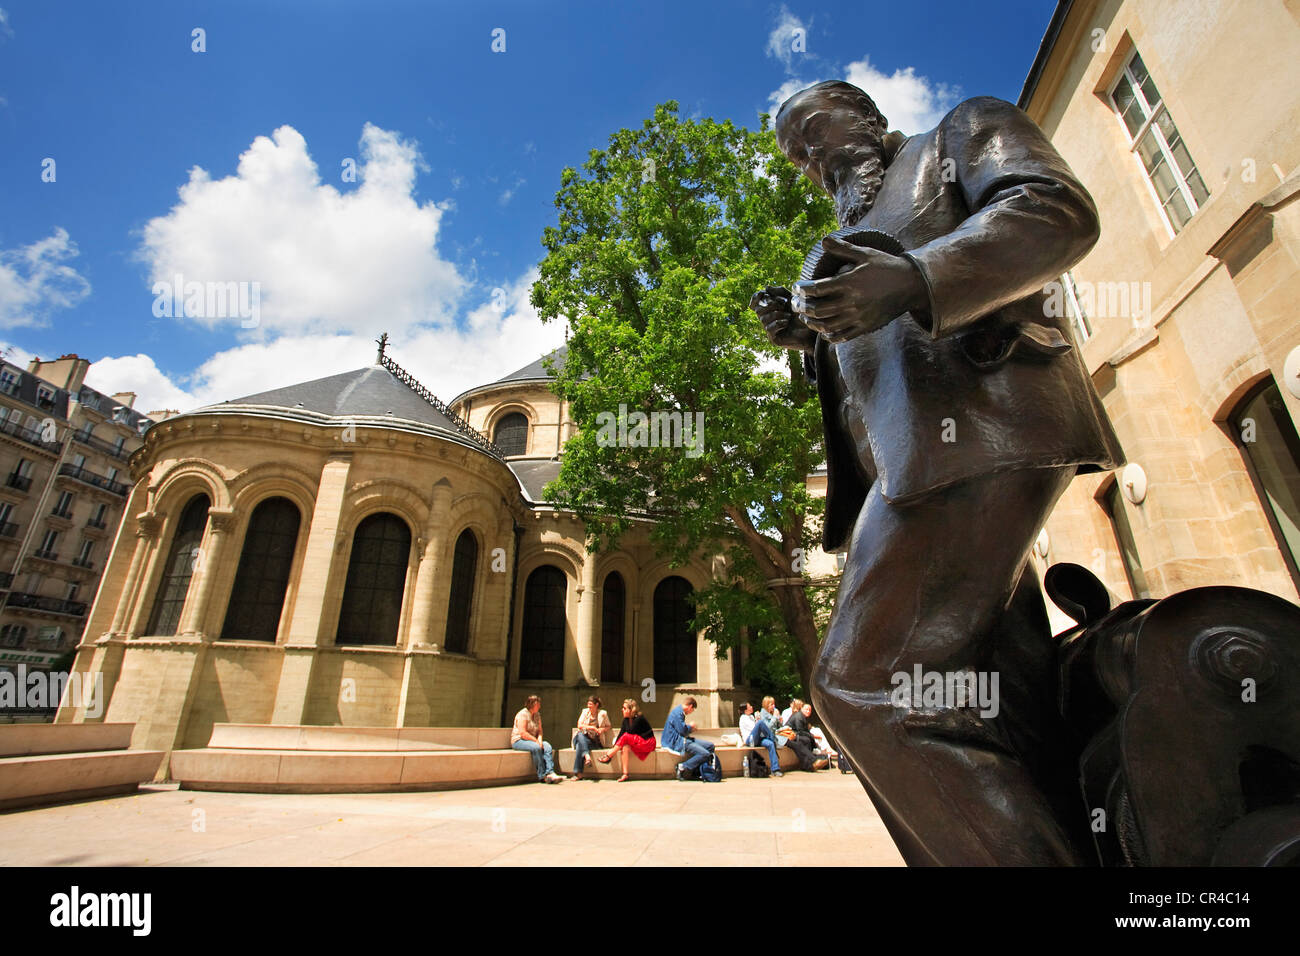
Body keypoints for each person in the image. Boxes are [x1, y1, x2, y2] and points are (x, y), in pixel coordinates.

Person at [753, 80, 1124, 865]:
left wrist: (915, 279)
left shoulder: (959, 133)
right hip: (914, 462)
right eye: (797, 154)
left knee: (866, 688)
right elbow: (872, 353)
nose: (811, 158)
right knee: (1006, 707)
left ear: (865, 116)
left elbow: (1054, 210)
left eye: (814, 132)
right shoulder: (839, 236)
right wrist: (806, 337)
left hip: (982, 433)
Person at [597, 698, 656, 781]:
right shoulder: (626, 720)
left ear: (631, 710)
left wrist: (612, 751)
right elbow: (621, 734)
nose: (622, 710)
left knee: (626, 737)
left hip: (648, 743)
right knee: (625, 746)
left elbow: (630, 733)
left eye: (624, 708)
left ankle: (608, 756)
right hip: (637, 742)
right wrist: (615, 747)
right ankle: (625, 774)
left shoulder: (639, 718)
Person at [511, 694, 563, 784]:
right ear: (532, 705)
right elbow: (523, 733)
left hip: (533, 740)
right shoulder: (522, 714)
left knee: (547, 746)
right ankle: (542, 775)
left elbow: (540, 731)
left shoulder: (537, 715)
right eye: (538, 705)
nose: (539, 706)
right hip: (519, 740)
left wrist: (540, 740)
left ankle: (550, 772)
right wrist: (536, 741)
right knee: (536, 747)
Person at [661, 696, 715, 780]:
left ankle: (697, 771)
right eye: (692, 710)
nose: (691, 712)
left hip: (683, 738)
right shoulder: (677, 713)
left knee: (710, 746)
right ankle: (682, 767)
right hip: (677, 741)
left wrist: (689, 728)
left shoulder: (680, 712)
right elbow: (682, 731)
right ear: (690, 706)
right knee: (704, 754)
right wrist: (691, 726)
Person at [570, 696, 612, 779]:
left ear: (596, 705)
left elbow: (609, 726)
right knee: (580, 735)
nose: (588, 706)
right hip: (583, 736)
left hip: (594, 741)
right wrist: (592, 727)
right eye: (588, 704)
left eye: (590, 704)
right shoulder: (585, 712)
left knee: (579, 746)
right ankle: (587, 756)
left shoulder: (602, 714)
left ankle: (578, 774)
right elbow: (579, 725)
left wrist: (601, 730)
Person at [738, 700, 783, 777]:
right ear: (745, 710)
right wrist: (758, 720)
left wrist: (756, 719)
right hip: (750, 740)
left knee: (770, 744)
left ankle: (775, 769)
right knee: (760, 723)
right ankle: (773, 738)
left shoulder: (751, 717)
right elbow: (755, 728)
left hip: (757, 739)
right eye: (749, 706)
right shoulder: (743, 718)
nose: (752, 707)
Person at [784, 701, 827, 771]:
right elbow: (800, 731)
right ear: (801, 709)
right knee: (805, 740)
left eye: (810, 710)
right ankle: (812, 762)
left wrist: (811, 736)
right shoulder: (799, 716)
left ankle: (808, 765)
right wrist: (811, 736)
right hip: (788, 736)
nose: (808, 711)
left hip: (794, 736)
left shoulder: (803, 717)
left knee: (806, 740)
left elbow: (804, 731)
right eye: (806, 709)